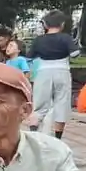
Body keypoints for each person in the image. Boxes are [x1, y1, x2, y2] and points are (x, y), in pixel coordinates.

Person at [28, 9, 78, 139]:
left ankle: (34, 134)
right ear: (62, 24)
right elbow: (74, 54)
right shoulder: (66, 38)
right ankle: (57, 139)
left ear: (45, 25)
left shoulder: (39, 40)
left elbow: (29, 57)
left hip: (43, 71)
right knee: (62, 103)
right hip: (62, 71)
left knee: (39, 106)